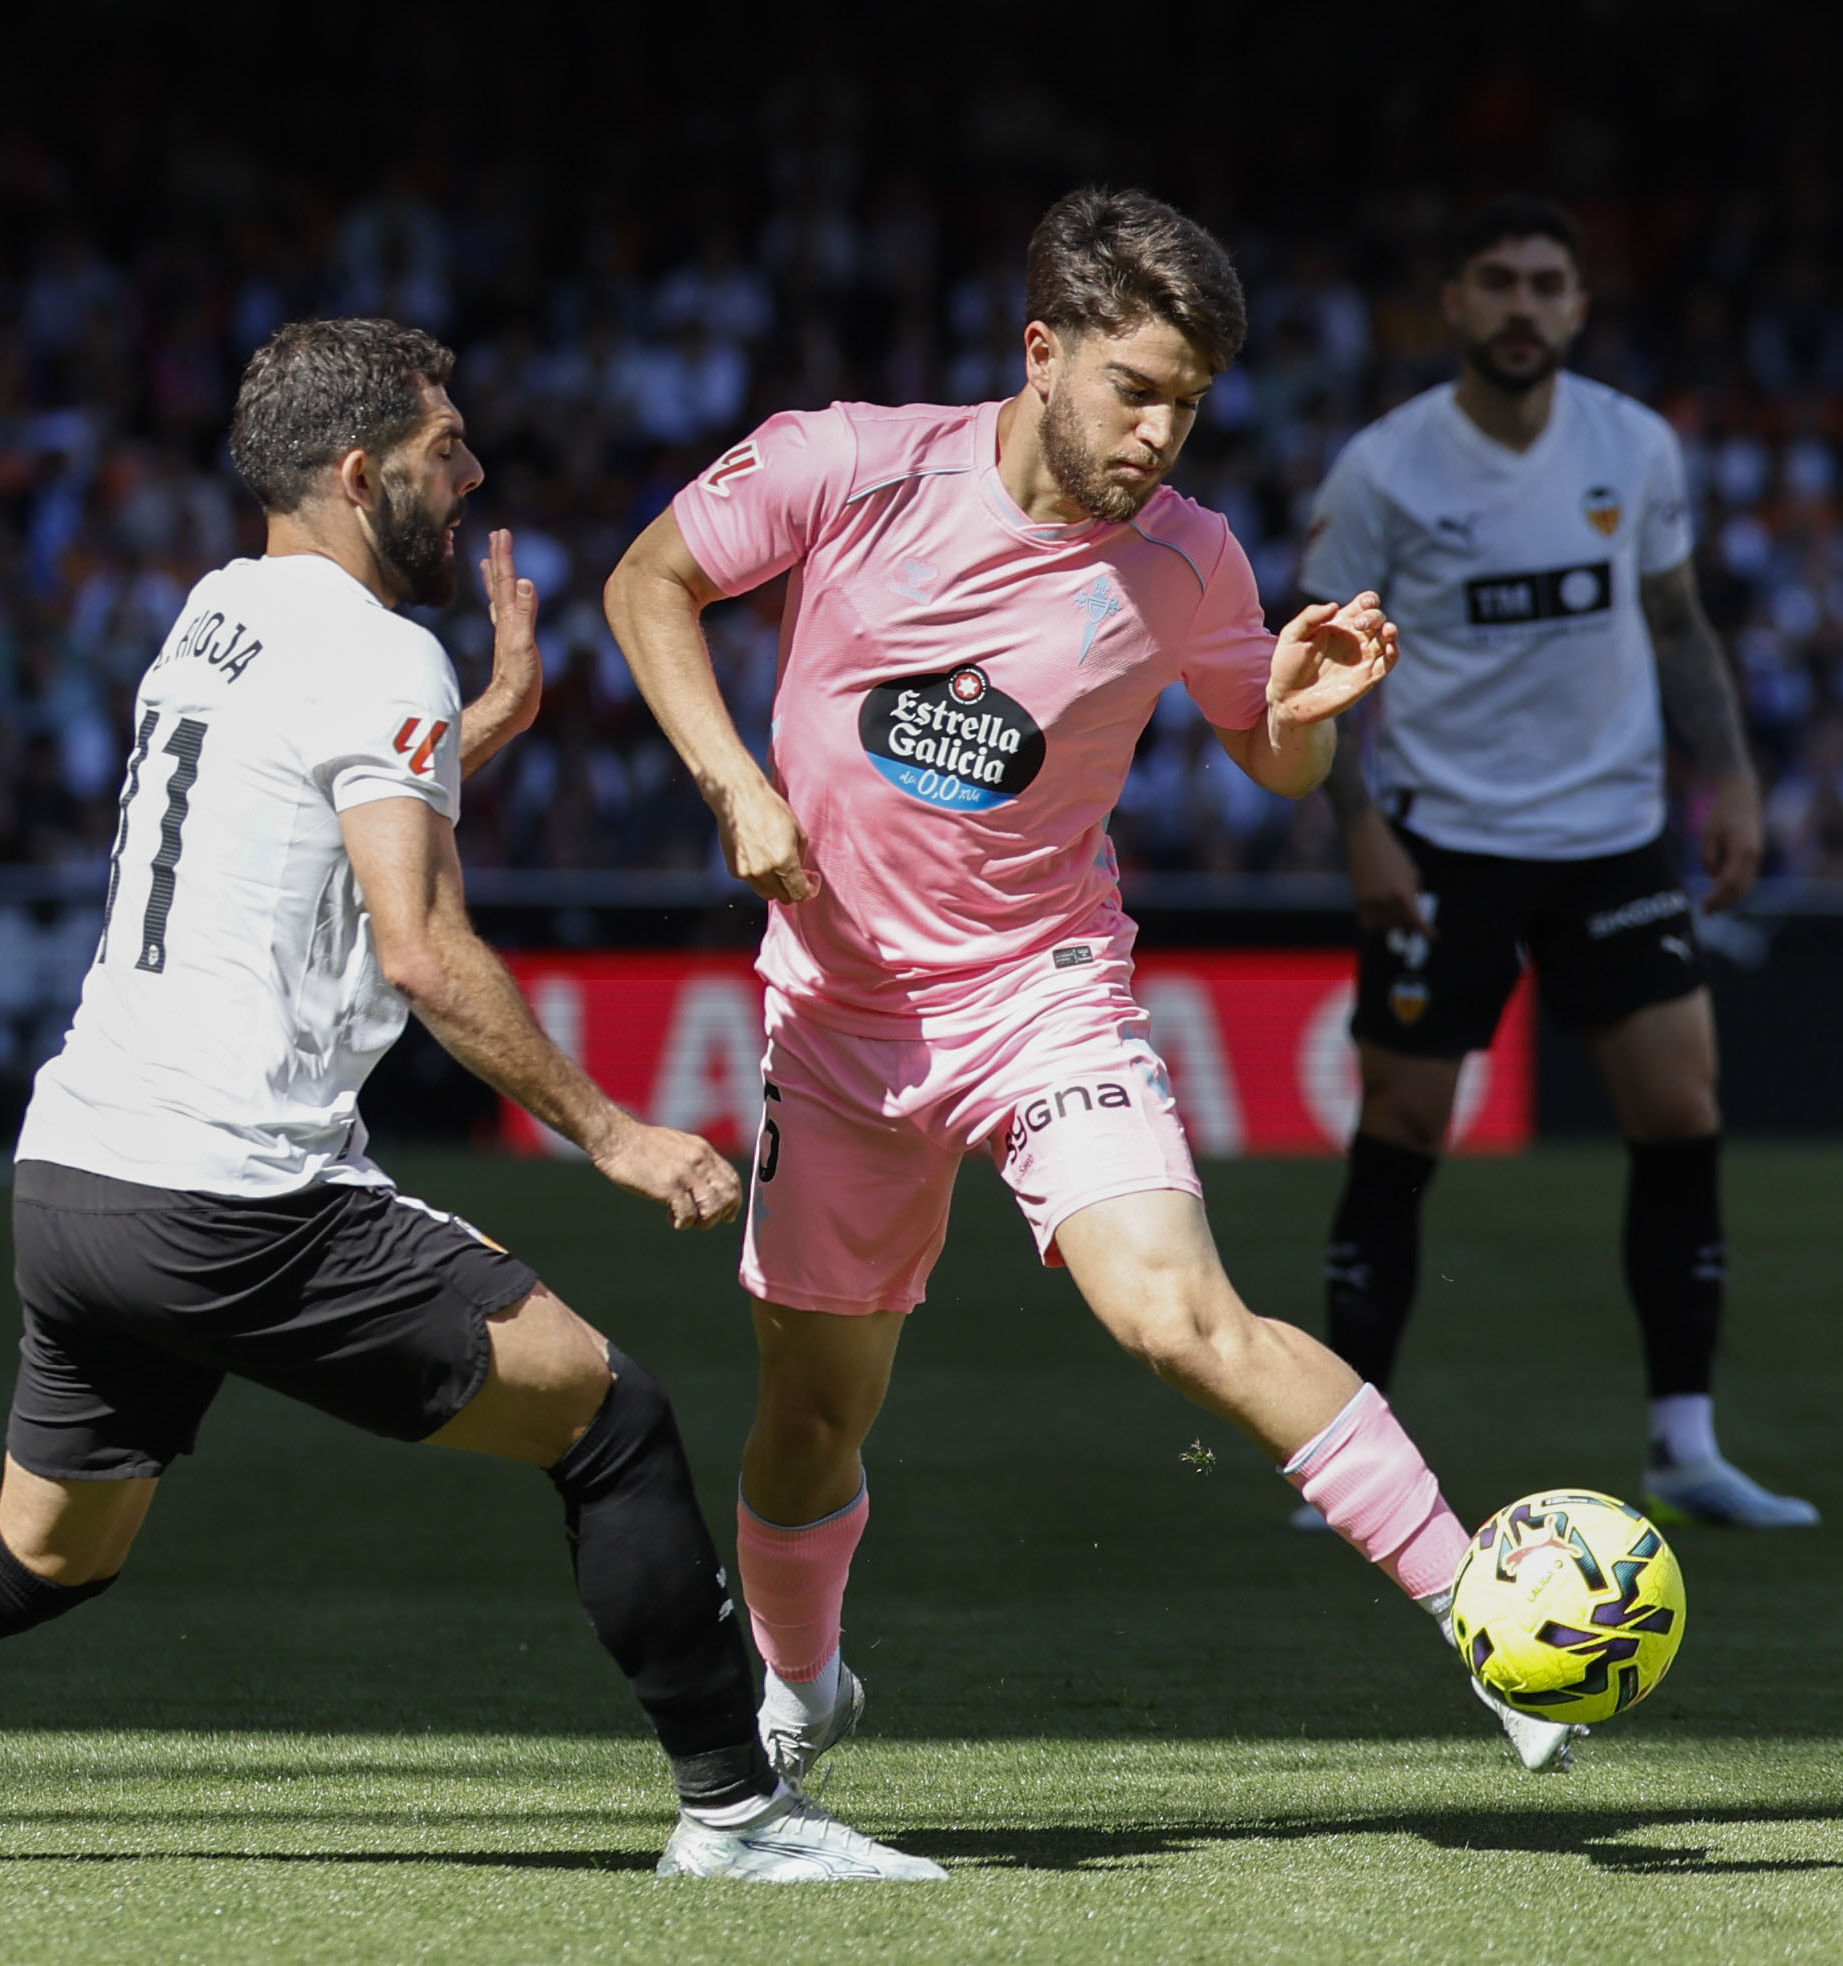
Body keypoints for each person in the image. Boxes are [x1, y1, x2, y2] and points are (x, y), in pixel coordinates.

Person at [0, 319, 943, 1882]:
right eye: (441, 447)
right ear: (356, 472)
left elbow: (311, 811)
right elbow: (418, 945)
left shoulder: (211, 617)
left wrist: (474, 734)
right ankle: (737, 1813)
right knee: (613, 1422)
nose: (467, 470)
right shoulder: (377, 648)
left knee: (38, 1555)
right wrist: (612, 1130)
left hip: (76, 1180)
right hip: (233, 1195)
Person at [603, 189, 1582, 1780]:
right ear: (1041, 349)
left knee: (1179, 1316)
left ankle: (1486, 1618)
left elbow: (1269, 757)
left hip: (1041, 990)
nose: (1159, 433)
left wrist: (1309, 707)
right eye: (1134, 388)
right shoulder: (844, 462)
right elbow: (646, 582)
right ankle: (801, 1685)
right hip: (839, 1019)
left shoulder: (1190, 561)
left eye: (1187, 403)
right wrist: (732, 782)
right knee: (809, 1415)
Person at [1301, 196, 1816, 1529]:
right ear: (1455, 302)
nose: (1522, 306)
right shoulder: (1381, 469)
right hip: (1439, 837)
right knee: (1401, 1127)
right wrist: (1355, 823)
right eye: (1496, 282)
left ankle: (1684, 1447)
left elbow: (1675, 622)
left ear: (1578, 307)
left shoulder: (1630, 446)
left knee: (1679, 1111)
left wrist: (1736, 778)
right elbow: (1308, 664)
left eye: (1546, 284)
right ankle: (1348, 1457)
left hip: (1611, 835)